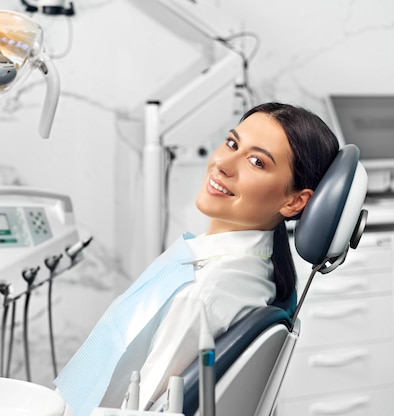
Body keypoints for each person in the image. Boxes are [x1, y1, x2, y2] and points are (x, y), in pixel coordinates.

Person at [54, 102, 340, 415]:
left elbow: (142, 407)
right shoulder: (253, 267)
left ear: (295, 201)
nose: (223, 164)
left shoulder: (205, 291)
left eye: (256, 161)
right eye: (232, 143)